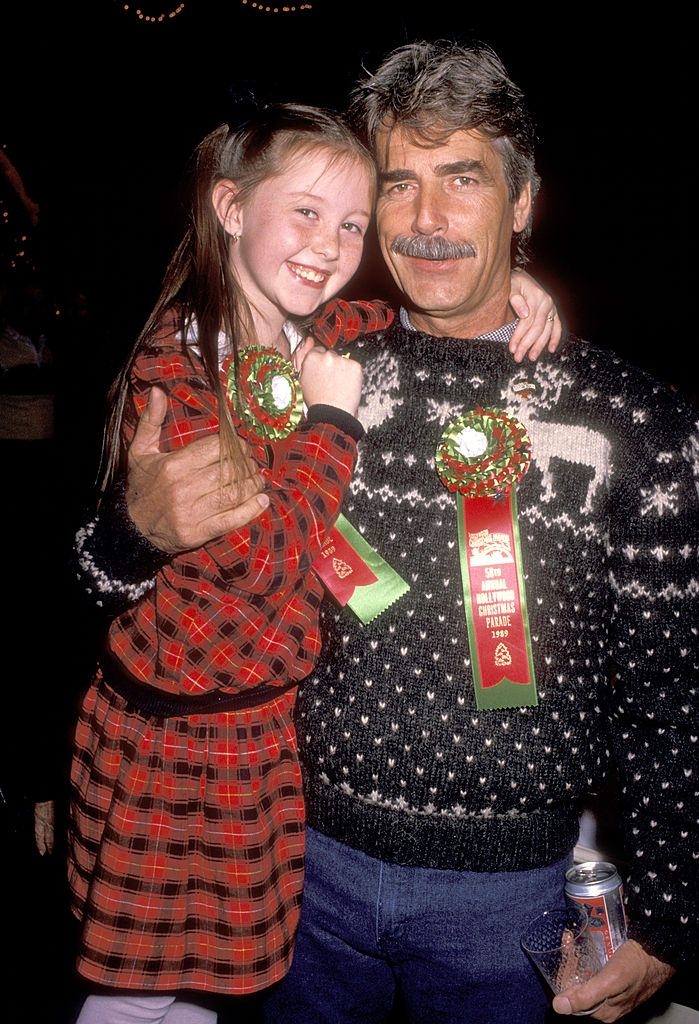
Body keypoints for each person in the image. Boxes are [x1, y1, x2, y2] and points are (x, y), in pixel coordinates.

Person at [70, 40, 699, 1024]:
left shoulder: (632, 416)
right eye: (399, 186)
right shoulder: (315, 362)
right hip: (296, 866)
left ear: (523, 201)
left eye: (464, 180)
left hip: (507, 905)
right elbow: (105, 591)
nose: (428, 220)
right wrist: (131, 532)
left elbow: (673, 679)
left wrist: (671, 907)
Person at [67, 101, 390, 1024]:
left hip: (254, 731)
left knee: (205, 990)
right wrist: (332, 424)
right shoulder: (180, 365)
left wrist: (512, 288)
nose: (331, 247)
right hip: (177, 741)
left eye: (353, 226)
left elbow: (384, 308)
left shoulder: (301, 333)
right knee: (136, 998)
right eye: (306, 213)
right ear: (232, 208)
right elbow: (262, 560)